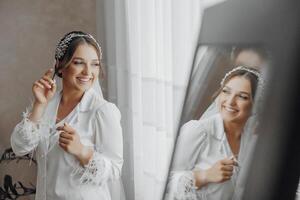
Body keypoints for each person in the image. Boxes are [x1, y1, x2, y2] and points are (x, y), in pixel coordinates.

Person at [10, 31, 124, 200]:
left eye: (95, 64)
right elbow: (19, 147)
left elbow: (114, 171)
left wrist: (82, 151)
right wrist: (39, 104)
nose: (88, 72)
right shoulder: (47, 104)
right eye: (79, 63)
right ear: (60, 66)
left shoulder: (103, 111)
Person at [166, 66, 261, 200]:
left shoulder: (253, 142)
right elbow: (165, 183)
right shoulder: (198, 131)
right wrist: (205, 176)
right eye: (226, 92)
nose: (230, 101)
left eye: (242, 96)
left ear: (255, 105)